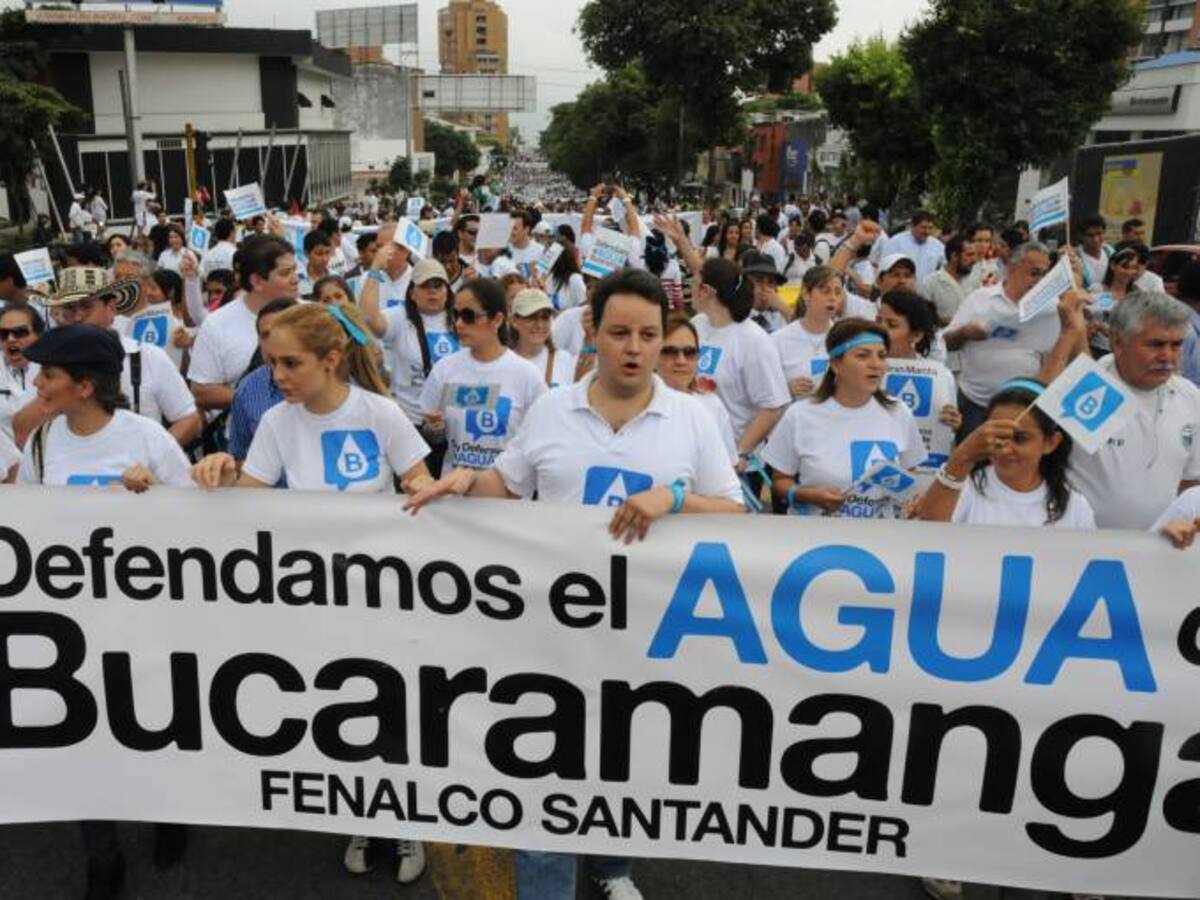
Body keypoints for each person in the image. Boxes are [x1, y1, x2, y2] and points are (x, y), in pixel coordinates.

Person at [406, 268, 745, 900]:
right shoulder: (552, 407)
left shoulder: (692, 418)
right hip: (549, 628)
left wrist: (674, 497)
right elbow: (505, 487)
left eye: (649, 334)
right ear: (595, 331)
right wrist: (461, 483)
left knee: (621, 759)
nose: (636, 348)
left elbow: (735, 512)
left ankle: (613, 867)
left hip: (645, 628)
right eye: (620, 332)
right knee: (542, 768)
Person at [13, 270, 200, 448]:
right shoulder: (45, 364)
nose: (77, 316)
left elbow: (189, 419)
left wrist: (151, 458)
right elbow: (22, 430)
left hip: (135, 479)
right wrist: (56, 385)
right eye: (69, 307)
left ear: (111, 308)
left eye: (86, 306)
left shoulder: (147, 356)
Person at [763, 318, 925, 518]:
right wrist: (808, 495)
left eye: (882, 356)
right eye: (863, 355)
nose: (875, 364)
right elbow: (779, 481)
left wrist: (913, 502)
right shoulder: (800, 415)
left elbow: (912, 475)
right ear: (835, 365)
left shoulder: (899, 412)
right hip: (815, 539)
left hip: (881, 542)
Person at [1068, 291, 1200, 530]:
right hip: (1080, 549)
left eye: (1176, 345)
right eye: (1156, 344)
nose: (1167, 356)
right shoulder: (1084, 388)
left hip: (1160, 552)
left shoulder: (1189, 396)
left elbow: (1191, 481)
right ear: (1118, 342)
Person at [945, 242, 1088, 436]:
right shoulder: (980, 299)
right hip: (975, 404)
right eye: (1034, 273)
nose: (1039, 281)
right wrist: (964, 333)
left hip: (1024, 409)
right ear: (1012, 268)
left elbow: (1074, 359)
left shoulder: (1054, 308)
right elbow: (946, 343)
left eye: (1044, 274)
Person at [917, 379, 1094, 523]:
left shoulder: (1075, 507)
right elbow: (930, 535)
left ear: (1051, 442)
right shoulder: (963, 488)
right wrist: (961, 458)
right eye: (997, 435)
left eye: (1020, 438)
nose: (1005, 449)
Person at [419, 278, 546, 471]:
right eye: (455, 315)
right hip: (454, 495)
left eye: (469, 316)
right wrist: (434, 429)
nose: (459, 324)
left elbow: (542, 439)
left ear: (497, 319)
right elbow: (431, 435)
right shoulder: (444, 369)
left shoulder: (527, 375)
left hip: (507, 495)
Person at [188, 235, 300, 425]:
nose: (296, 279)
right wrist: (261, 401)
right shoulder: (216, 324)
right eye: (285, 273)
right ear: (257, 281)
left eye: (295, 270)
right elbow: (202, 391)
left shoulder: (313, 315)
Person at [691, 258, 790, 462]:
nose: (689, 289)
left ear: (706, 291)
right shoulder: (696, 325)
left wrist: (739, 452)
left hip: (735, 463)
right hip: (695, 452)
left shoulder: (754, 340)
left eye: (693, 283)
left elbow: (772, 407)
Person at [360, 255, 459, 427]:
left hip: (456, 423)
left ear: (447, 291)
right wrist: (375, 269)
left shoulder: (461, 318)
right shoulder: (400, 316)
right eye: (424, 286)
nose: (432, 291)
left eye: (438, 285)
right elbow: (368, 318)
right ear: (412, 293)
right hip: (413, 422)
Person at [877, 290, 961, 471]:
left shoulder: (941, 377)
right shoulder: (858, 370)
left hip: (921, 473)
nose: (880, 329)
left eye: (891, 324)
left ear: (915, 335)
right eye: (878, 321)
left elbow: (946, 437)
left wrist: (952, 425)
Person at [656, 310, 737, 463]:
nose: (681, 360)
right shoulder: (635, 408)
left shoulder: (712, 405)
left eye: (689, 352)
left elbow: (728, 468)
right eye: (670, 352)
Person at [227, 298, 296, 467]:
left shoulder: (330, 380)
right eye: (266, 335)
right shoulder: (247, 389)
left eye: (282, 331)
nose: (274, 341)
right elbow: (240, 457)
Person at [771, 265, 842, 399]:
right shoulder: (778, 340)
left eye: (837, 292)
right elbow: (765, 389)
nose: (833, 297)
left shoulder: (845, 339)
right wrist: (786, 388)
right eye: (825, 291)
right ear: (806, 294)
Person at [508, 288, 577, 389]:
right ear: (514, 321)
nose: (539, 325)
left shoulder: (564, 360)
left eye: (545, 318)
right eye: (531, 317)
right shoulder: (501, 363)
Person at [1087, 243, 1142, 356]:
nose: (1129, 272)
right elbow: (1086, 315)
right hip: (1096, 349)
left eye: (1133, 268)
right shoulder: (1098, 289)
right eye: (1125, 266)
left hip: (1123, 352)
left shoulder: (1136, 295)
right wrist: (1096, 326)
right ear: (1113, 266)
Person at [0, 304, 44, 440]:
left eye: (20, 332)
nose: (11, 339)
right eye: (3, 334)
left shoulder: (59, 369)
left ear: (39, 335)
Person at [872, 210, 946, 282]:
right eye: (923, 227)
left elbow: (944, 267)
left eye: (930, 228)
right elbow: (884, 267)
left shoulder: (938, 246)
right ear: (912, 226)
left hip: (926, 291)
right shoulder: (896, 242)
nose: (927, 232)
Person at [921, 234, 977, 325]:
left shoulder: (976, 279)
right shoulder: (930, 283)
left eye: (975, 255)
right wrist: (941, 321)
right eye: (969, 255)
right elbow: (923, 318)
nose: (974, 260)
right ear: (954, 256)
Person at [356, 223, 414, 310]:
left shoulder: (418, 279)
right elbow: (363, 318)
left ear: (404, 249)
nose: (380, 252)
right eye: (378, 247)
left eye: (384, 247)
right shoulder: (365, 280)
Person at [542, 236, 587, 312]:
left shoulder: (575, 279)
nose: (544, 257)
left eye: (549, 254)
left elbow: (584, 309)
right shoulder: (548, 278)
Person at [1076, 215, 1110, 290]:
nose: (1096, 239)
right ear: (1081, 236)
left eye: (1099, 233)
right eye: (1090, 235)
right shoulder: (1074, 258)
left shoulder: (1111, 254)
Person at [299, 228, 335, 297]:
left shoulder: (336, 278)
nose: (325, 259)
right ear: (306, 253)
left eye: (327, 253)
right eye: (319, 254)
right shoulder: (297, 279)